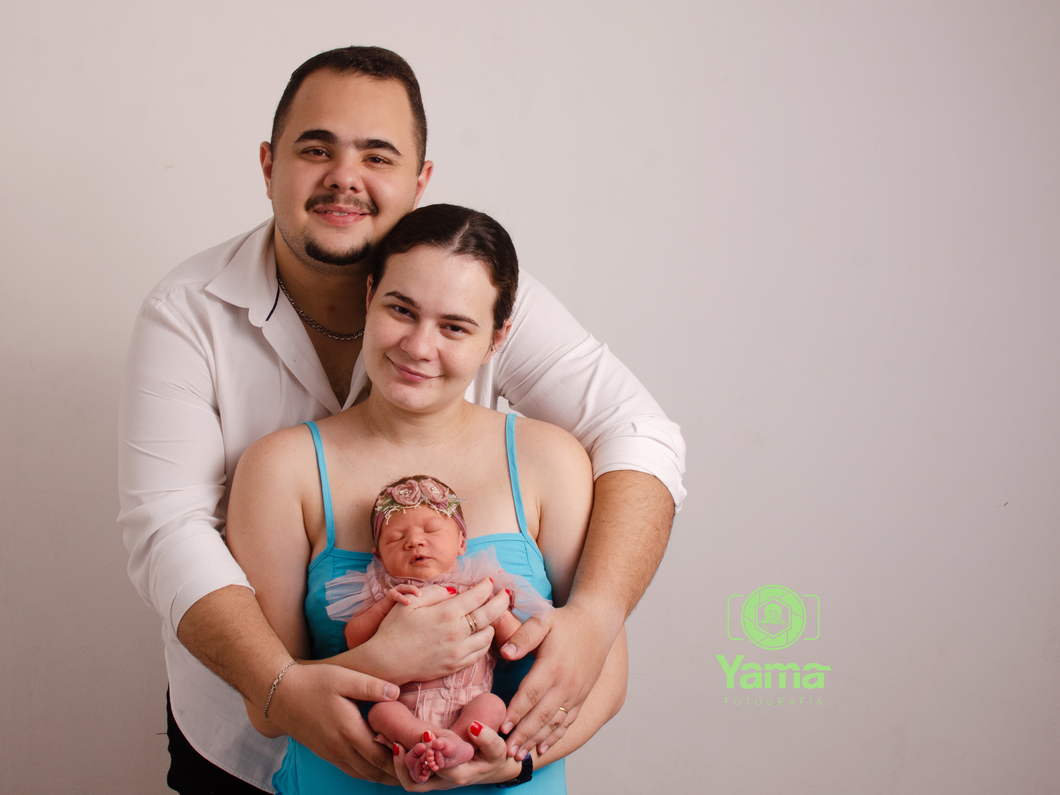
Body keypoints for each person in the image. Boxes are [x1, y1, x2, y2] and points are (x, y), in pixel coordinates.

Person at [118, 46, 686, 794]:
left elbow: (637, 430)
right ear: (268, 164)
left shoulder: (479, 285)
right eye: (315, 149)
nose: (344, 177)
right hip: (242, 728)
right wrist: (281, 687)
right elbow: (169, 529)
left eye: (377, 155)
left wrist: (595, 619)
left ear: (420, 182)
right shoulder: (187, 315)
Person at [226, 203, 616, 793]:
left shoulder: (550, 459)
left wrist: (514, 762)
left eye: (455, 327)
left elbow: (608, 675)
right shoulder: (281, 468)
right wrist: (383, 659)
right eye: (400, 310)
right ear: (369, 298)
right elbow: (267, 703)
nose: (418, 346)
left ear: (497, 338)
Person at [328, 475, 555, 784]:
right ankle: (421, 738)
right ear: (378, 556)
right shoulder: (386, 594)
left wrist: (497, 612)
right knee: (381, 713)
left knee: (492, 706)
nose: (414, 542)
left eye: (431, 530)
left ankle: (456, 742)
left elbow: (516, 646)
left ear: (461, 543)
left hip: (469, 700)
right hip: (404, 704)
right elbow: (355, 642)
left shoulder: (480, 585)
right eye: (396, 538)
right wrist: (384, 607)